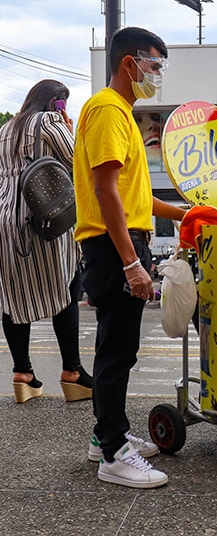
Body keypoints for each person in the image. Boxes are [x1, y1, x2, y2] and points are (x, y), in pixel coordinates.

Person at [73, 26, 197, 489]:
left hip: (121, 240)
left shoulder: (122, 112)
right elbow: (105, 190)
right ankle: (112, 454)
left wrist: (185, 211)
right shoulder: (107, 109)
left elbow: (135, 197)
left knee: (119, 349)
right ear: (130, 63)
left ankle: (105, 436)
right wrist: (131, 262)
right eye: (155, 64)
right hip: (111, 246)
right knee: (116, 351)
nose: (158, 74)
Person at [0, 79, 92, 404]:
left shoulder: (7, 129)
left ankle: (23, 373)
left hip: (6, 220)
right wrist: (70, 126)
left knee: (13, 295)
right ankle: (73, 372)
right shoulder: (49, 121)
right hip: (44, 214)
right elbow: (78, 161)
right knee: (67, 283)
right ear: (55, 102)